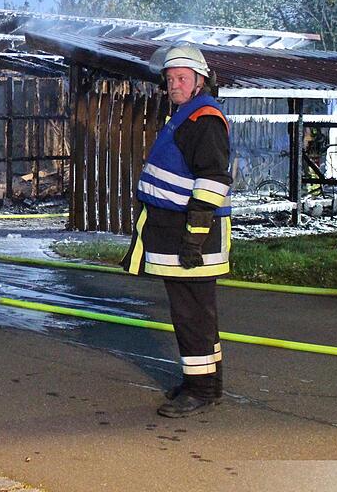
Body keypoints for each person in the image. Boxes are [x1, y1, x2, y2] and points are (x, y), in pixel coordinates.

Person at [120, 45, 232, 418]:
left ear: (200, 80)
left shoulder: (204, 119)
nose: (174, 85)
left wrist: (194, 237)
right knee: (196, 313)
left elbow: (213, 181)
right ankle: (205, 383)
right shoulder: (186, 116)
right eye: (170, 79)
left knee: (192, 316)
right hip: (179, 233)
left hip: (192, 237)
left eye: (182, 78)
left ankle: (201, 391)